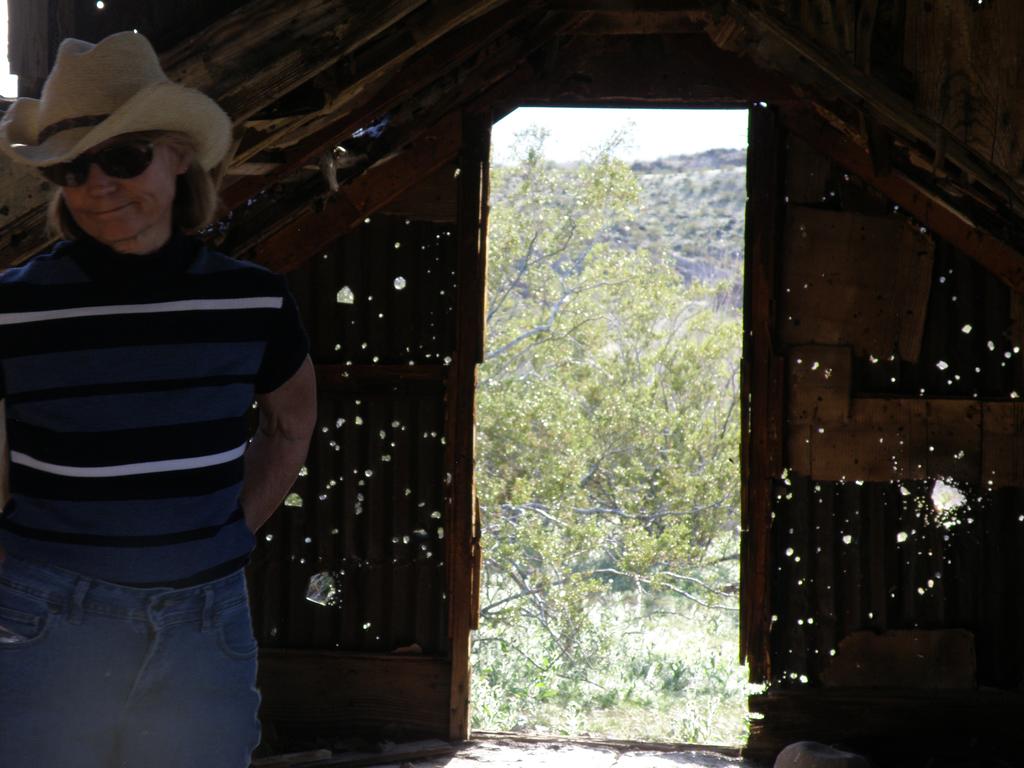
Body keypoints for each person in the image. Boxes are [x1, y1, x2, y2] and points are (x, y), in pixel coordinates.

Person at [0, 31, 317, 767]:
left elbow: (290, 425)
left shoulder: (253, 301)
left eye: (123, 157)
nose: (98, 185)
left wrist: (224, 533)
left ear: (178, 155)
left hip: (203, 626)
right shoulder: (12, 310)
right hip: (46, 619)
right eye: (73, 168)